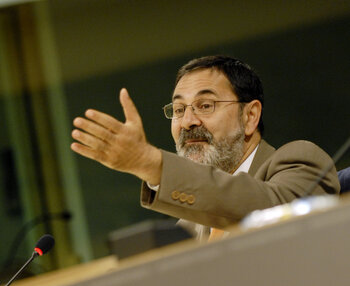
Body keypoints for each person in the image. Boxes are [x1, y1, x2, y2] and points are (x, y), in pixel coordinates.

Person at [71, 55, 340, 240]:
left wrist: (150, 163)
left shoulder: (301, 160)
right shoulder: (188, 225)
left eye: (205, 106)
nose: (188, 122)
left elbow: (271, 214)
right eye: (178, 109)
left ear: (249, 116)